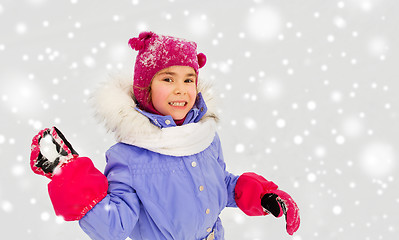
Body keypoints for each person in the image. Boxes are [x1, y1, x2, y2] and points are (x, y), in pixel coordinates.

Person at [30, 31, 300, 240]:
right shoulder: (130, 155)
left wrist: (262, 195)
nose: (181, 89)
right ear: (145, 89)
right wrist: (71, 178)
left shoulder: (204, 137)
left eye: (188, 79)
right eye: (168, 79)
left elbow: (219, 184)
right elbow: (114, 225)